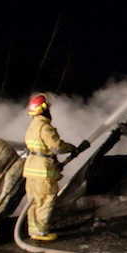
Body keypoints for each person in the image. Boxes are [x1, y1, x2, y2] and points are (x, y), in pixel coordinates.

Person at [22, 93, 86, 241]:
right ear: (44, 109)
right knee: (46, 200)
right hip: (42, 170)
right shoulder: (45, 128)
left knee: (34, 201)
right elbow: (56, 147)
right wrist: (71, 148)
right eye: (48, 108)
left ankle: (33, 230)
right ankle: (41, 233)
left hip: (31, 168)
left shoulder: (33, 126)